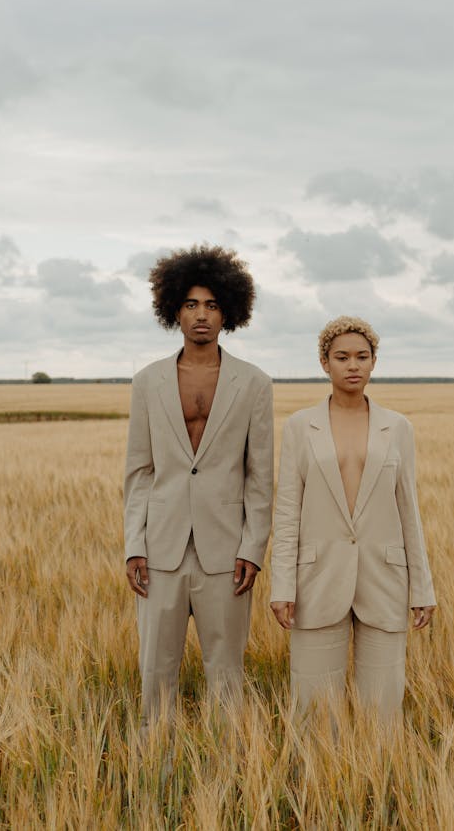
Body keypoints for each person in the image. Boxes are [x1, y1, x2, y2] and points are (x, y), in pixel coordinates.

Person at [124, 244, 274, 731]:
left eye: (211, 304)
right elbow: (139, 471)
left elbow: (260, 476)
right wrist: (133, 546)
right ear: (174, 310)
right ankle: (153, 772)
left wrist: (253, 549)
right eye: (191, 304)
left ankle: (231, 775)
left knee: (226, 676)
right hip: (160, 548)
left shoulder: (254, 383)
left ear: (228, 310)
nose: (201, 315)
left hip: (226, 552)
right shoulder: (147, 382)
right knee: (155, 674)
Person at [270, 315, 435, 723]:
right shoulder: (298, 427)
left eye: (362, 356)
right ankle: (318, 786)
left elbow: (408, 509)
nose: (353, 365)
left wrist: (423, 587)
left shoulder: (397, 427)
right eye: (342, 357)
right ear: (324, 363)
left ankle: (379, 783)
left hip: (385, 580)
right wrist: (282, 585)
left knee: (382, 710)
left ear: (375, 362)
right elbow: (288, 509)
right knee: (313, 709)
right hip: (316, 582)